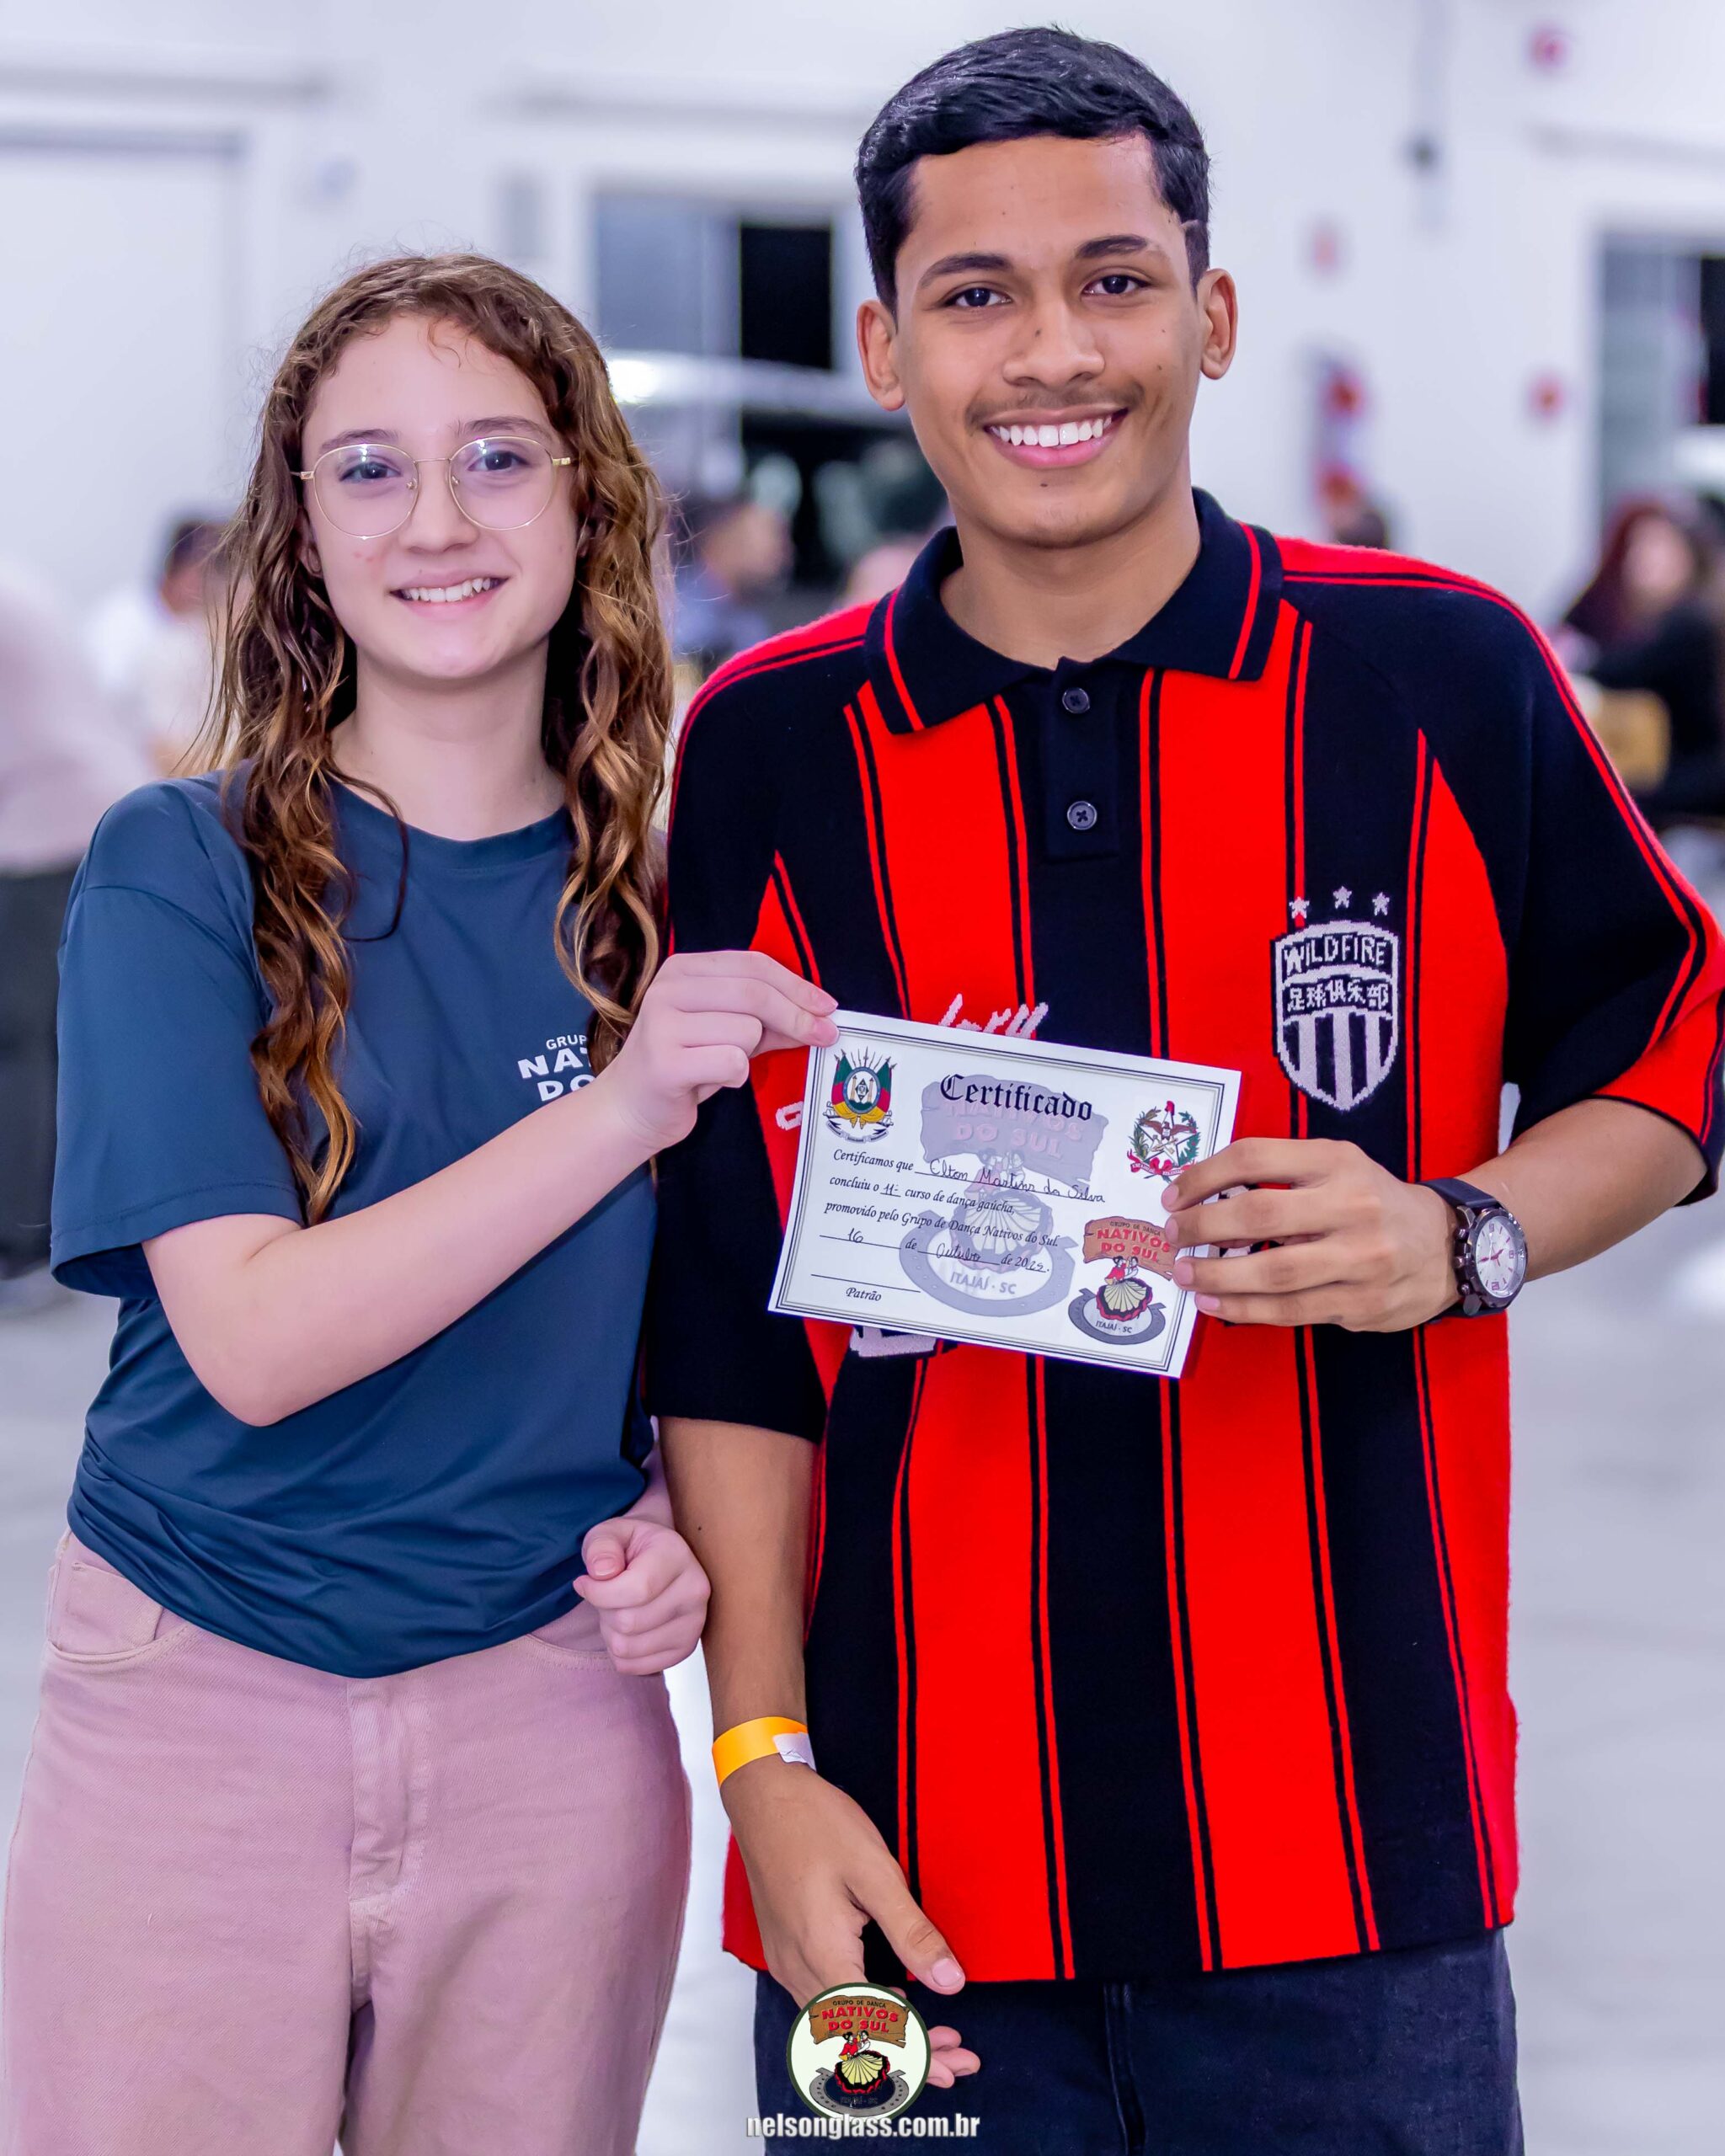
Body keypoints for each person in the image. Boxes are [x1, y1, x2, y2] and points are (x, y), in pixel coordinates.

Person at [646, 29, 1725, 2153]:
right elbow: (724, 1314)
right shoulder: (767, 745)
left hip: (1355, 1875)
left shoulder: (1434, 673)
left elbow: (1675, 1036)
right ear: (883, 346)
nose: (1053, 349)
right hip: (893, 1871)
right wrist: (761, 1760)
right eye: (975, 292)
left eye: (1115, 279)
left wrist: (1461, 1230)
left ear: (1211, 315)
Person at [2, 253, 836, 2156]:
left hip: (550, 1718)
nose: (437, 520)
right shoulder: (179, 869)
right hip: (200, 1701)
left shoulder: (667, 910)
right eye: (369, 468)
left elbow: (700, 1313)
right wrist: (623, 1103)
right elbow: (253, 1335)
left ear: (586, 499)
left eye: (496, 458)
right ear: (300, 530)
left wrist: (662, 1508)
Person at [0, 565, 152, 1311]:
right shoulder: (18, 584)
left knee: (18, 1043)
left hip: (45, 830)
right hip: (87, 818)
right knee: (48, 1041)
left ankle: (20, 1249)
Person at [1561, 496, 1725, 828]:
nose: (1641, 561)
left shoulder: (1689, 625)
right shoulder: (1663, 618)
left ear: (1688, 557)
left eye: (1658, 549)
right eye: (1638, 548)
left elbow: (1614, 671)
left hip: (1704, 782)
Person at [85, 515, 230, 773]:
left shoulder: (197, 633)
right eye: (218, 575)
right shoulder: (123, 626)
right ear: (191, 574)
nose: (222, 590)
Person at [671, 493, 793, 670]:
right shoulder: (675, 610)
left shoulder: (750, 622)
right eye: (770, 539)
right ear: (723, 542)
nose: (783, 555)